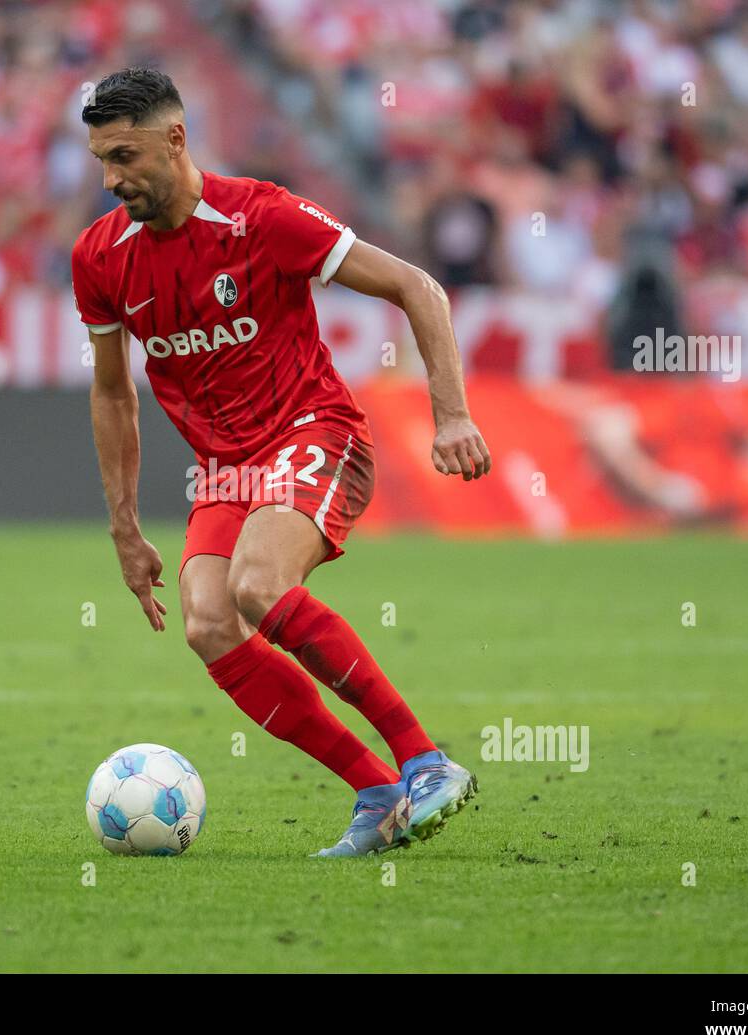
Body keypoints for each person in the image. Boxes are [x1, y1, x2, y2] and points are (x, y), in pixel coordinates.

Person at [72, 69, 492, 856]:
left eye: (124, 155)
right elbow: (111, 397)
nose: (111, 178)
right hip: (226, 468)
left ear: (176, 139)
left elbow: (417, 286)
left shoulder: (261, 217)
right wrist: (125, 528)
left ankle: (427, 761)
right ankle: (376, 791)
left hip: (315, 432)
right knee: (207, 622)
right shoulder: (99, 256)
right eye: (100, 159)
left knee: (259, 584)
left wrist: (452, 414)